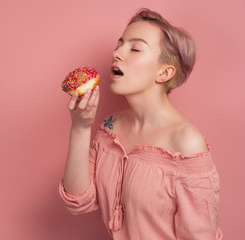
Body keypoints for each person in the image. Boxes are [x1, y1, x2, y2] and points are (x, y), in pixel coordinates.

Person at [58, 8, 223, 240]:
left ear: (164, 73)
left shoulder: (186, 141)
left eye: (135, 48)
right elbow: (78, 201)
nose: (116, 53)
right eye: (119, 44)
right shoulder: (111, 126)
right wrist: (81, 126)